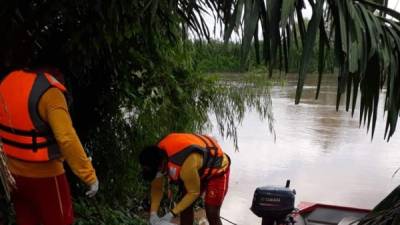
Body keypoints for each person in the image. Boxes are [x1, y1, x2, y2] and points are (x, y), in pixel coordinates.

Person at [0, 68, 99, 225]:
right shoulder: (51, 93)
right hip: (46, 178)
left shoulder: (7, 81)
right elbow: (66, 138)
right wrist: (89, 175)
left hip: (12, 175)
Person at [139, 133, 231, 225]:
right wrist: (153, 213)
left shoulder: (185, 164)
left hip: (217, 170)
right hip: (197, 169)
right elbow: (157, 188)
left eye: (158, 171)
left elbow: (194, 193)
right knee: (186, 207)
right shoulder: (154, 158)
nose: (159, 174)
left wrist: (171, 214)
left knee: (212, 212)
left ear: (162, 163)